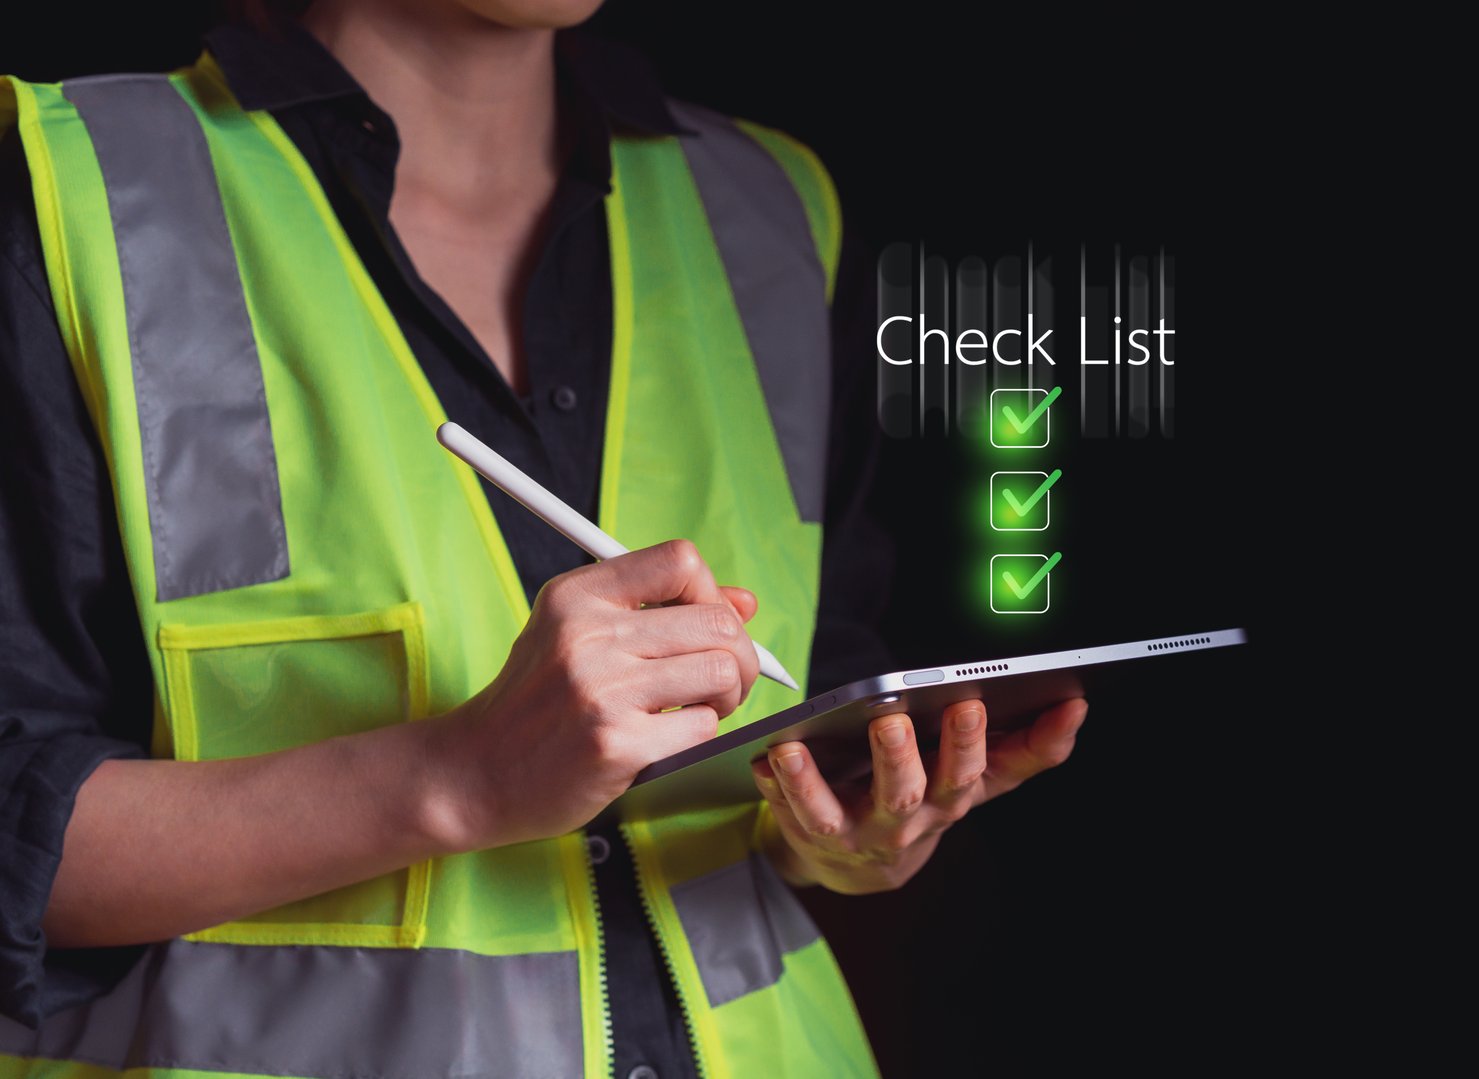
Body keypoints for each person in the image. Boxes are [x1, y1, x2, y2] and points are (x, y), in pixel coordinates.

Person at [0, 2, 1088, 1076]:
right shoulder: (71, 192)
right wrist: (455, 777)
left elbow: (818, 687)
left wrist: (851, 826)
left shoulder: (772, 209)